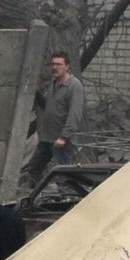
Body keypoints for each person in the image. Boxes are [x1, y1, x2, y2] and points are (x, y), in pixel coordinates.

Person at [25, 52, 85, 186]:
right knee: (34, 168)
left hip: (62, 140)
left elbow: (75, 114)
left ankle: (67, 200)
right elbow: (50, 106)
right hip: (47, 138)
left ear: (67, 66)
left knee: (64, 174)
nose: (55, 67)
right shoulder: (54, 84)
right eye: (53, 64)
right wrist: (36, 94)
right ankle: (36, 197)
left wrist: (64, 137)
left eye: (59, 64)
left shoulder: (74, 86)